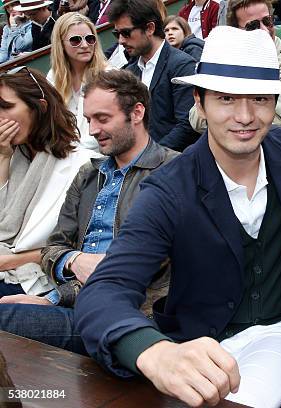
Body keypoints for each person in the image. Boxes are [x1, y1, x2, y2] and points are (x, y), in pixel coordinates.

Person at [75, 26, 281, 408]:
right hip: (198, 348)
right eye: (227, 98)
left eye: (260, 99)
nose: (245, 116)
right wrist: (155, 352)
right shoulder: (170, 189)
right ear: (199, 103)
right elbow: (105, 290)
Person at [0, 70, 178, 355]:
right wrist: (69, 268)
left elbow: (150, 262)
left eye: (102, 118)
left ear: (136, 113)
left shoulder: (172, 171)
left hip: (129, 316)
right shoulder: (89, 174)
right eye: (89, 120)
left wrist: (58, 297)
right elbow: (53, 248)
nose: (93, 130)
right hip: (74, 303)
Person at [0, 67, 98, 298]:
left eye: (6, 107)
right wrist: (3, 157)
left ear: (40, 107)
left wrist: (9, 261)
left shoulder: (83, 164)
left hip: (41, 279)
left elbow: (78, 246)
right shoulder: (13, 155)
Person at [189, 0, 281, 133]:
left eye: (267, 21)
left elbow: (279, 124)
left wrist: (221, 115)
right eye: (253, 26)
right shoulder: (228, 62)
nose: (264, 31)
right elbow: (196, 118)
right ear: (237, 32)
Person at [108, 0, 199, 152]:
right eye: (117, 34)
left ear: (150, 28)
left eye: (126, 33)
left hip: (174, 163)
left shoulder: (182, 65)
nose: (121, 40)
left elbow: (187, 125)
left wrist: (151, 156)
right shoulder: (130, 71)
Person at [47, 12, 107, 151]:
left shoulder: (108, 75)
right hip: (65, 152)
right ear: (60, 44)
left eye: (90, 39)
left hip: (98, 154)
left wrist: (72, 150)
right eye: (76, 40)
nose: (85, 45)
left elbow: (107, 129)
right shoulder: (54, 77)